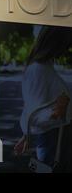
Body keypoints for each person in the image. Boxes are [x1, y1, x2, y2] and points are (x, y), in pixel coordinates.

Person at [14, 26, 72, 170]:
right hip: (53, 141)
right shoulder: (38, 69)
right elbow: (35, 115)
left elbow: (33, 108)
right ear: (55, 43)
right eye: (65, 43)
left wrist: (26, 135)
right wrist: (58, 111)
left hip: (55, 139)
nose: (67, 48)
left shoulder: (44, 66)